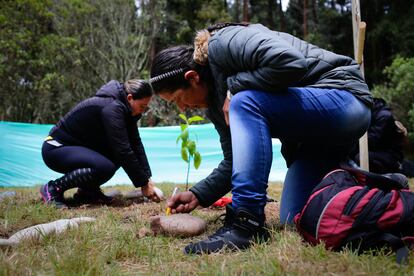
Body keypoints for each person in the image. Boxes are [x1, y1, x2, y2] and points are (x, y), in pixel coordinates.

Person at [150, 23, 372, 254]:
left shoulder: (224, 43)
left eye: (177, 99)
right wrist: (198, 194)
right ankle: (377, 190)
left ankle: (247, 223)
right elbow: (236, 159)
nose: (182, 108)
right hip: (318, 142)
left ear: (192, 77)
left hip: (344, 99)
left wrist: (233, 89)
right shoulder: (217, 106)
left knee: (244, 101)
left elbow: (291, 61)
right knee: (293, 216)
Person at [40, 79, 161, 209]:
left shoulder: (126, 110)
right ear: (130, 98)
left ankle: (88, 192)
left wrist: (147, 178)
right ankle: (53, 188)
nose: (142, 111)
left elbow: (135, 143)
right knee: (106, 166)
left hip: (76, 147)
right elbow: (123, 150)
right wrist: (142, 183)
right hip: (56, 148)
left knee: (116, 155)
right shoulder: (112, 107)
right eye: (142, 106)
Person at [351, 97, 407, 174]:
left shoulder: (384, 116)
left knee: (361, 157)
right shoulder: (369, 113)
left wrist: (352, 135)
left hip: (390, 156)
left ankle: (374, 180)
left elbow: (373, 141)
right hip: (377, 152)